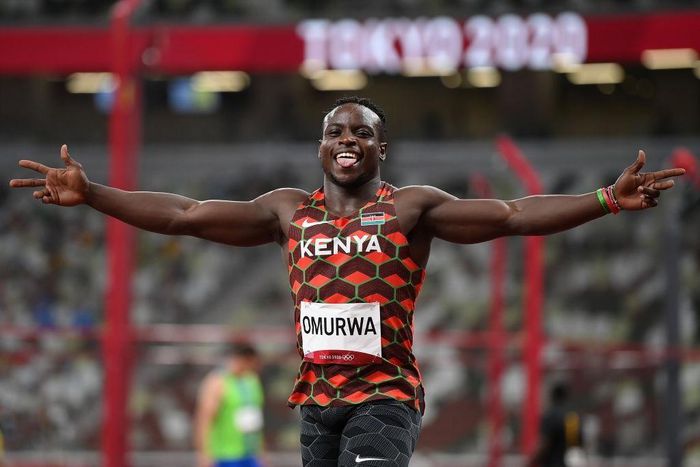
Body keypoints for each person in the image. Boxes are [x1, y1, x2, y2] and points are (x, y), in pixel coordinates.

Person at [9, 97, 685, 466]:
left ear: (381, 148)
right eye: (336, 129)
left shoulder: (409, 206)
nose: (348, 138)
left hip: (385, 397)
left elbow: (509, 214)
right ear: (322, 146)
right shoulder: (285, 212)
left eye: (362, 130)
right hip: (318, 402)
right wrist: (93, 193)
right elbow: (185, 214)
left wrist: (604, 198)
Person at [194, 343, 264, 467]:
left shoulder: (252, 380)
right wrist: (204, 454)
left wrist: (261, 452)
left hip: (250, 453)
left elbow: (256, 420)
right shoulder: (217, 382)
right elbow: (204, 419)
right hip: (226, 454)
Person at [527, 382, 585, 467]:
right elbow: (576, 446)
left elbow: (544, 444)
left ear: (553, 396)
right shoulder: (573, 417)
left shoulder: (551, 416)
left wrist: (530, 461)